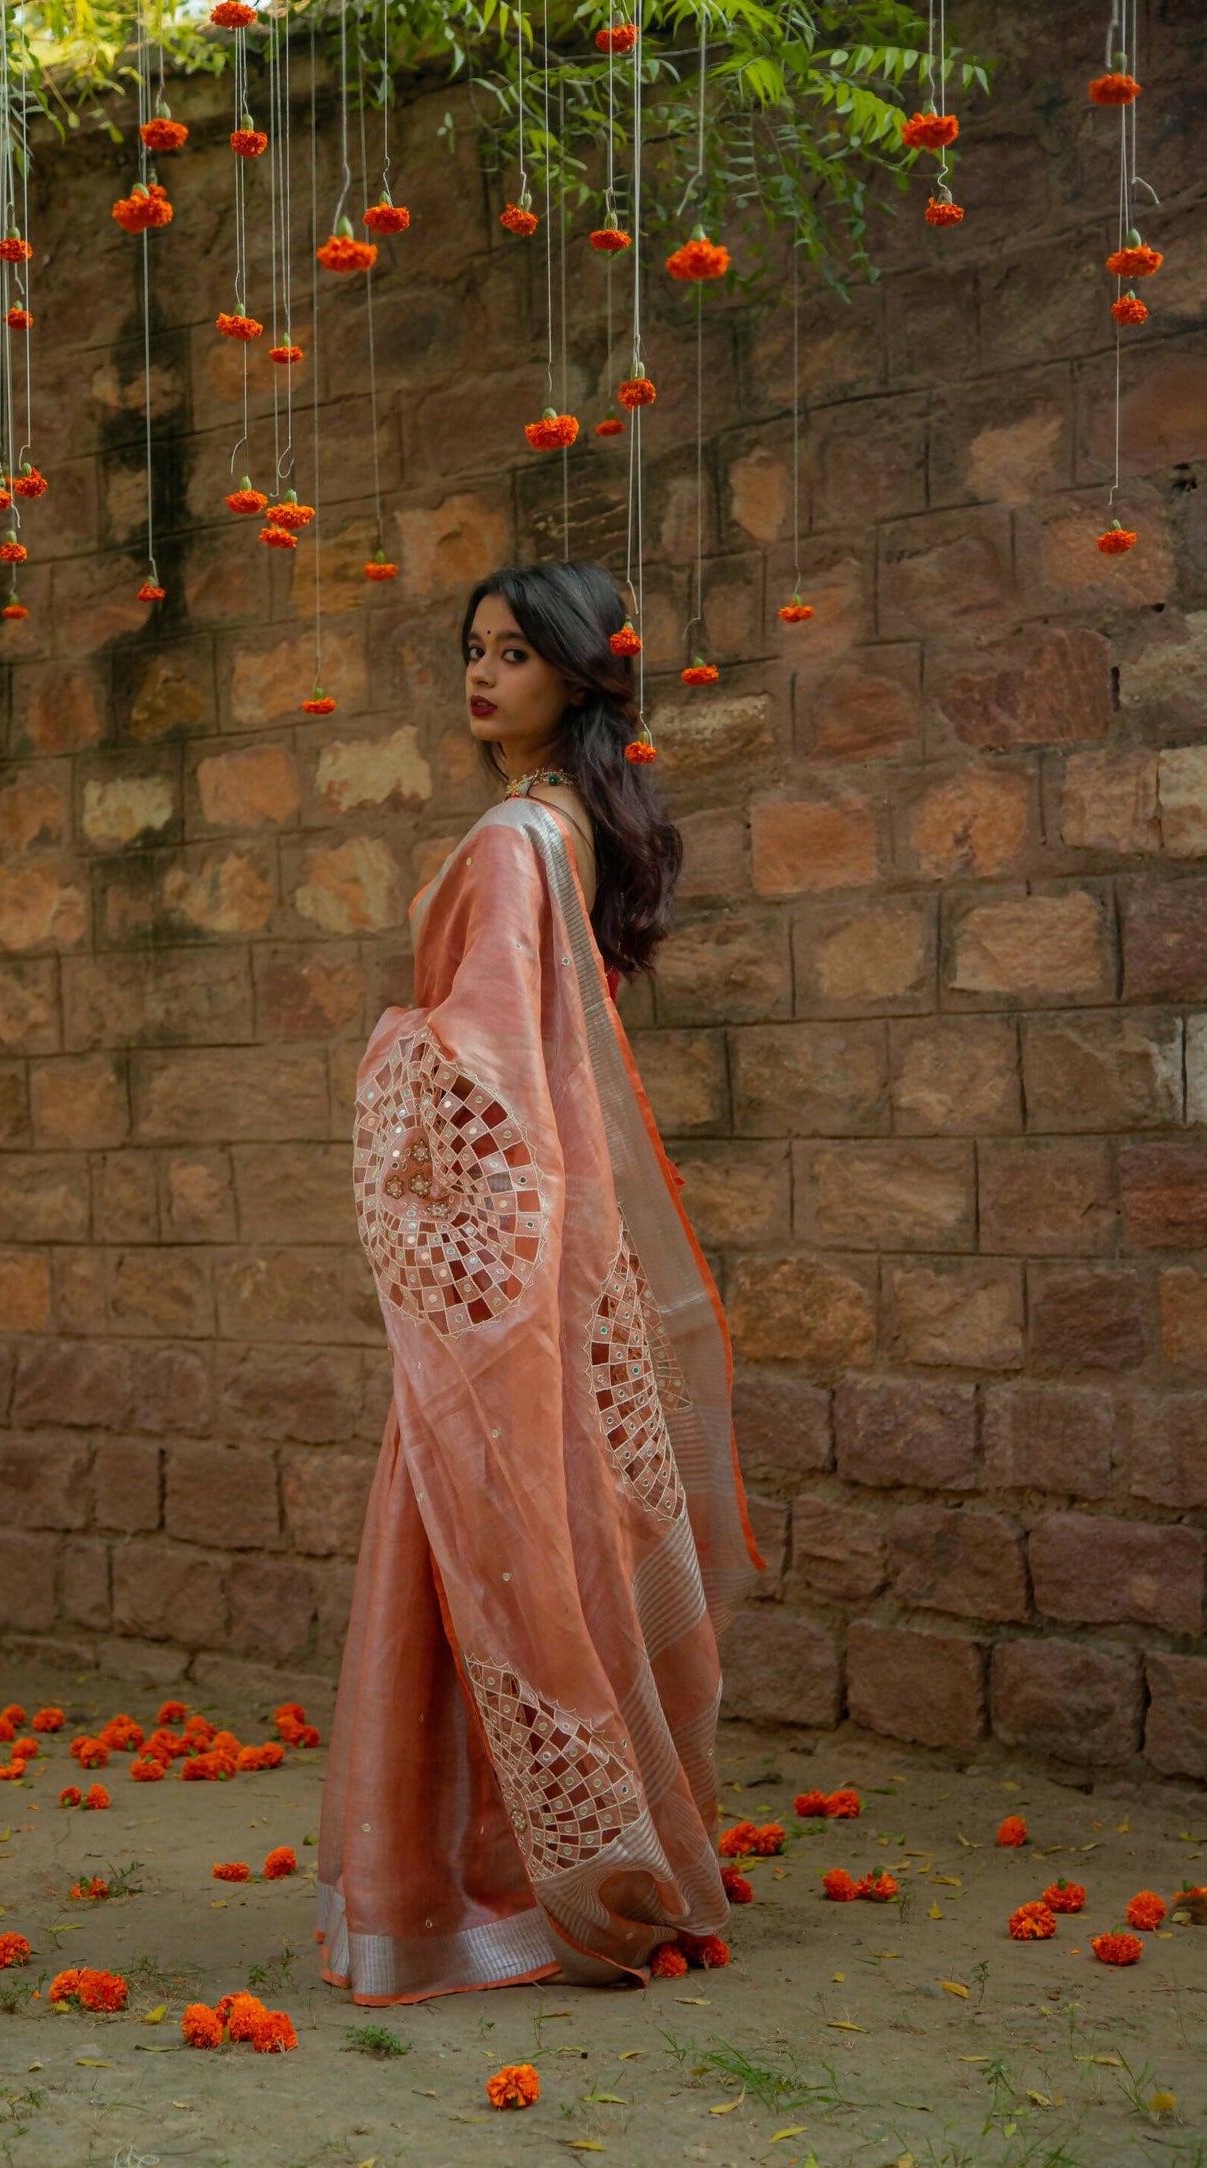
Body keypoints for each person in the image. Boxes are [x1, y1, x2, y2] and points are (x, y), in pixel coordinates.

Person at [314, 558, 763, 2004]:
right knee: (546, 1523)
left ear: (577, 674)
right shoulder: (573, 825)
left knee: (488, 1529)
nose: (480, 673)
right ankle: (589, 1851)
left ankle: (498, 1887)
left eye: (512, 652)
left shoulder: (515, 837)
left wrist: (391, 1047)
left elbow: (485, 1069)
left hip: (507, 1253)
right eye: (473, 648)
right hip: (565, 1236)